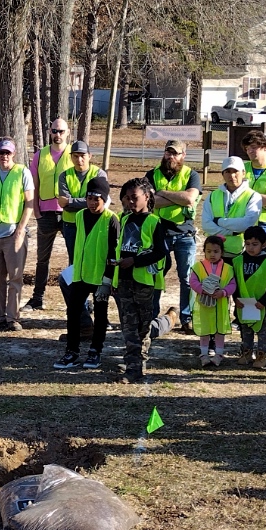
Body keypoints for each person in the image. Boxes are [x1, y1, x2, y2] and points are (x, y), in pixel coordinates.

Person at [53, 176, 117, 370]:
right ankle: (72, 352)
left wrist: (108, 279)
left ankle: (95, 351)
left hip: (100, 277)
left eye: (96, 198)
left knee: (100, 315)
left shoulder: (111, 220)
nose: (92, 202)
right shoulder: (80, 216)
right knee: (72, 312)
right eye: (89, 198)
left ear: (104, 199)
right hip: (80, 275)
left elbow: (114, 251)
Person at [114, 177, 169, 383]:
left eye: (134, 197)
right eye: (127, 198)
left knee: (142, 327)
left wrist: (135, 261)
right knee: (128, 325)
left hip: (145, 282)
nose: (130, 202)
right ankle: (132, 366)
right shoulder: (125, 219)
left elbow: (160, 252)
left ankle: (139, 364)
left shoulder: (155, 222)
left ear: (147, 197)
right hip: (124, 281)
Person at [146, 140, 202, 331]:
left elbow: (189, 199)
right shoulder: (152, 174)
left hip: (184, 233)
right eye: (168, 152)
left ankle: (186, 317)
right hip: (158, 233)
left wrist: (161, 193)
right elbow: (150, 203)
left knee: (187, 278)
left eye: (175, 153)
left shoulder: (192, 175)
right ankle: (151, 315)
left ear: (183, 155)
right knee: (155, 276)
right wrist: (177, 198)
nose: (171, 157)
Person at [0, 137, 34, 331]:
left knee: (15, 278)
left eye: (8, 152)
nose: (4, 156)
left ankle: (13, 318)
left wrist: (21, 230)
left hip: (14, 233)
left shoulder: (23, 172)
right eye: (1, 152)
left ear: (14, 153)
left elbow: (29, 202)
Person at [23, 118, 73, 311]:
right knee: (42, 258)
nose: (58, 135)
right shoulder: (40, 155)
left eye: (61, 131)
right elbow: (32, 185)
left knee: (74, 258)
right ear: (50, 132)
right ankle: (37, 298)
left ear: (67, 132)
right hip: (45, 214)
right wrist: (36, 210)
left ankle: (77, 298)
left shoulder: (73, 154)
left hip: (69, 214)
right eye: (55, 131)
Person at [200, 156, 262, 260]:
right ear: (222, 174)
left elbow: (246, 224)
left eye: (235, 171)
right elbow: (206, 225)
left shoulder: (253, 196)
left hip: (242, 255)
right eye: (227, 171)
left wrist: (219, 221)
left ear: (243, 173)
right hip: (215, 255)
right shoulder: (212, 196)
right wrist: (232, 232)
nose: (232, 175)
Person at [234, 226, 266, 369]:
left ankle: (261, 355)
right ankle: (246, 352)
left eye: (255, 244)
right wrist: (236, 298)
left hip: (260, 304)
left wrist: (263, 301)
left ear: (263, 245)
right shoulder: (239, 260)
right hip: (244, 303)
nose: (251, 248)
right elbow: (235, 281)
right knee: (245, 329)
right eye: (247, 244)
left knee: (262, 331)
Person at [190, 235, 236, 366]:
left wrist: (224, 292)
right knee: (205, 330)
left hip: (220, 305)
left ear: (222, 252)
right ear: (204, 251)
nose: (212, 254)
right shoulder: (198, 267)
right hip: (204, 305)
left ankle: (219, 354)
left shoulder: (228, 268)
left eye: (216, 251)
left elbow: (232, 284)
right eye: (209, 251)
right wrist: (202, 290)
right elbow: (192, 282)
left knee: (219, 330)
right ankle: (204, 354)